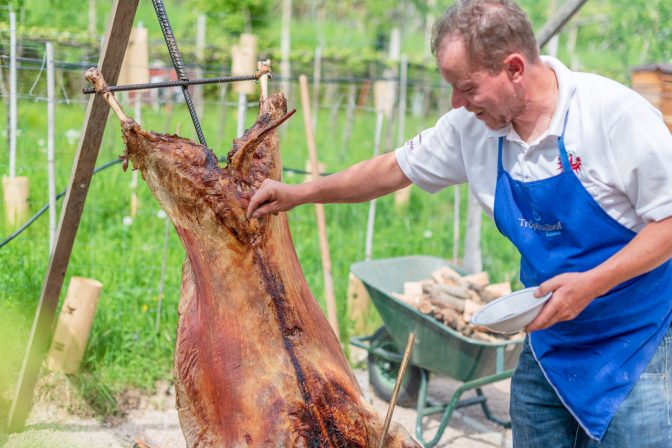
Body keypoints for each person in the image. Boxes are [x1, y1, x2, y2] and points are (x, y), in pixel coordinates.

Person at [246, 0, 672, 446]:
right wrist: (300, 193)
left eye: (466, 87)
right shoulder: (473, 128)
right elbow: (392, 169)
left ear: (513, 68)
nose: (456, 103)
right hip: (550, 344)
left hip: (635, 346)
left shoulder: (611, 116)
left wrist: (590, 284)